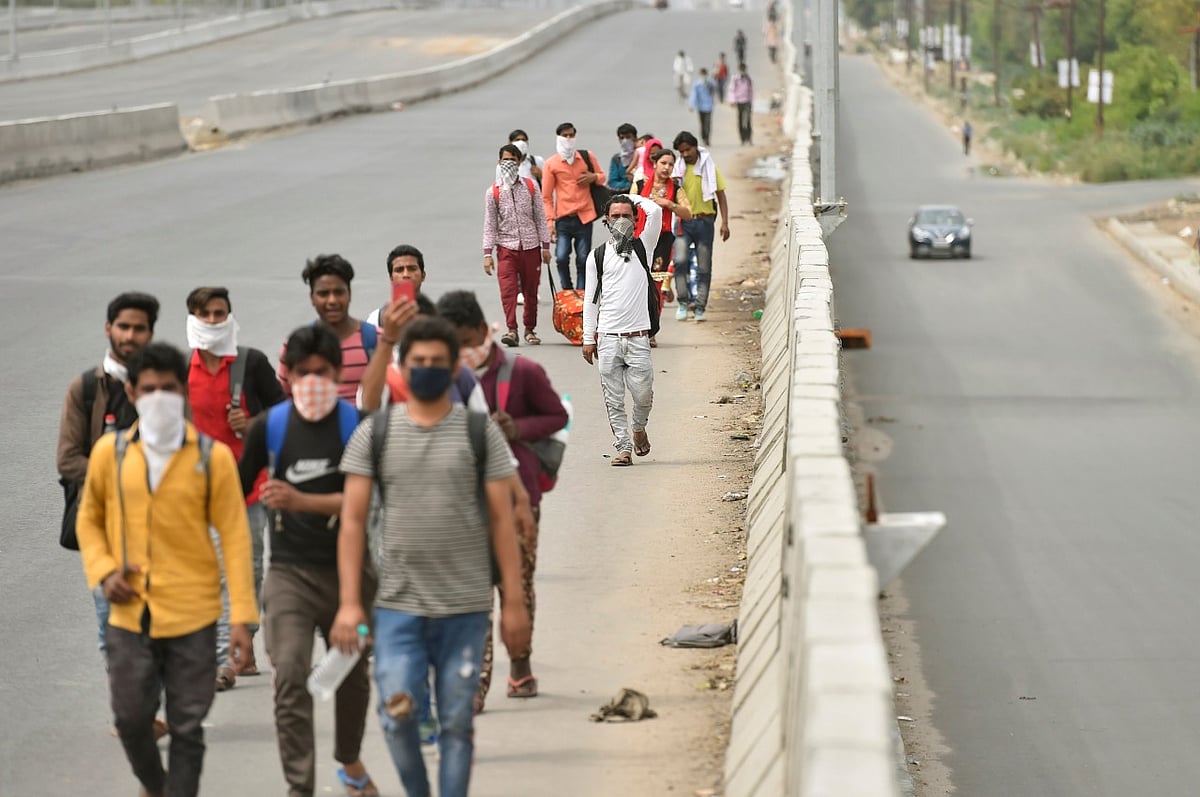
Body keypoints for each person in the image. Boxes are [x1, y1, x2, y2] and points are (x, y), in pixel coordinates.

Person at [332, 315, 531, 797]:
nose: (426, 368)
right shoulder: (374, 434)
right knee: (397, 715)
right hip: (397, 607)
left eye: (436, 362)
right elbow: (353, 521)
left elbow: (502, 521)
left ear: (453, 369)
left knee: (458, 724)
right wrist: (350, 602)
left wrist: (515, 604)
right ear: (403, 365)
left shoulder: (480, 434)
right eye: (417, 361)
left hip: (464, 608)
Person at [76, 342, 257, 797]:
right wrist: (103, 571)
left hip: (193, 615)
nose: (159, 397)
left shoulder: (210, 458)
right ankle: (155, 787)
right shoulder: (110, 454)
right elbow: (90, 520)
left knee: (187, 726)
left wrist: (242, 619)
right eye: (149, 388)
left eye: (169, 389)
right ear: (132, 392)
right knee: (132, 719)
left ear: (184, 394)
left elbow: (235, 538)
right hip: (129, 613)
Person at [239, 325, 380, 797]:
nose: (313, 381)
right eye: (303, 373)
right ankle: (300, 786)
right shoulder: (270, 426)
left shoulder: (356, 425)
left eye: (322, 372)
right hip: (288, 575)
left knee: (353, 676)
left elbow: (367, 504)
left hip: (352, 577)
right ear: (288, 377)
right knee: (291, 675)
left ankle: (349, 759)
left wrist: (300, 500)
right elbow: (233, 495)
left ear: (337, 373)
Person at [436, 291, 568, 712]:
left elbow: (558, 418)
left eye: (462, 340)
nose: (458, 352)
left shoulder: (522, 371)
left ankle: (520, 665)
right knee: (475, 593)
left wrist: (518, 427)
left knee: (517, 585)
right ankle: (476, 682)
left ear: (479, 330)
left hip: (518, 497)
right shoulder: (442, 378)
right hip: (463, 500)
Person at [184, 286, 286, 691]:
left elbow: (281, 413)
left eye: (219, 313)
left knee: (248, 568)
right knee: (209, 572)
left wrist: (252, 421)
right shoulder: (179, 370)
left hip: (247, 487)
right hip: (194, 490)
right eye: (205, 314)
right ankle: (222, 653)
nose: (213, 321)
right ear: (192, 318)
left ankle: (239, 649)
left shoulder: (251, 363)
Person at [58, 292, 159, 664]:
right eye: (123, 327)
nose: (130, 336)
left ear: (151, 333)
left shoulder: (164, 388)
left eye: (139, 328)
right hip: (105, 528)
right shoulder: (85, 389)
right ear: (108, 329)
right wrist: (122, 473)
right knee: (112, 627)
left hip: (162, 527)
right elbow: (68, 460)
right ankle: (130, 716)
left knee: (163, 628)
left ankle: (148, 710)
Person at [582, 194, 663, 466]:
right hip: (607, 339)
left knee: (643, 396)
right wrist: (587, 337)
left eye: (626, 215)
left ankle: (639, 428)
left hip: (639, 338)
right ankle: (623, 447)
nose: (620, 221)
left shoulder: (644, 248)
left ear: (635, 219)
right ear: (606, 220)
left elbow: (656, 211)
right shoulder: (597, 257)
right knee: (613, 399)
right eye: (615, 216)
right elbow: (590, 300)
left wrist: (633, 196)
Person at [279, 254, 378, 403]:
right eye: (323, 294)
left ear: (349, 294)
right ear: (312, 298)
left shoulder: (378, 340)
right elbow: (283, 398)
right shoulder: (295, 345)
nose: (332, 301)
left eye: (339, 292)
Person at [484, 144, 551, 348]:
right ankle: (511, 329)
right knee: (508, 290)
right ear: (498, 162)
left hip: (530, 247)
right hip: (506, 248)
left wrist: (545, 246)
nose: (509, 164)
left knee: (531, 290)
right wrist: (487, 253)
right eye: (505, 160)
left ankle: (530, 329)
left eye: (513, 160)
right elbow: (490, 224)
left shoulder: (531, 186)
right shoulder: (493, 192)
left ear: (520, 161)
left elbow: (540, 216)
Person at [635, 148, 693, 345]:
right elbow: (626, 206)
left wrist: (668, 204)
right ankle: (635, 327)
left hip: (662, 241)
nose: (667, 167)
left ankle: (651, 330)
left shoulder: (676, 189)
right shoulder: (640, 184)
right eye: (664, 163)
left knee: (656, 285)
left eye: (670, 164)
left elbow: (688, 213)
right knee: (636, 283)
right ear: (655, 163)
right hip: (639, 239)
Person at [672, 131, 731, 322]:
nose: (686, 154)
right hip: (683, 223)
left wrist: (725, 222)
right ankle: (683, 302)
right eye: (682, 152)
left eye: (688, 150)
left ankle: (700, 307)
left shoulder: (709, 168)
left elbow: (721, 195)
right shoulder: (677, 171)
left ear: (695, 147)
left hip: (705, 222)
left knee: (704, 267)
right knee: (680, 262)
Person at [542, 121, 606, 294]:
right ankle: (567, 290)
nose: (568, 139)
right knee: (561, 257)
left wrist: (593, 177)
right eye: (565, 136)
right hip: (563, 218)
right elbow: (546, 197)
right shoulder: (551, 164)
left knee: (583, 259)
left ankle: (581, 294)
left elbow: (602, 177)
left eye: (571, 135)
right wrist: (549, 221)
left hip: (584, 216)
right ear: (559, 138)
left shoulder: (586, 157)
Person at [364, 245, 426, 329]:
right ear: (391, 278)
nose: (406, 275)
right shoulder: (377, 319)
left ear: (423, 275)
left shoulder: (439, 317)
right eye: (399, 270)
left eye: (412, 269)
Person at [689, 68, 717, 146]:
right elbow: (693, 95)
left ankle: (707, 139)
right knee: (702, 124)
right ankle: (703, 137)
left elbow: (715, 90)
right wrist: (692, 105)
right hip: (701, 107)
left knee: (708, 123)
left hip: (709, 106)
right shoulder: (697, 85)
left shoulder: (710, 83)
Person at [607, 122, 637, 193]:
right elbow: (612, 182)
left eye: (628, 137)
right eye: (622, 138)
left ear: (635, 138)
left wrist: (635, 180)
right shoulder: (616, 159)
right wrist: (629, 184)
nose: (625, 140)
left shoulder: (641, 156)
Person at [729, 62, 755, 145]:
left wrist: (751, 101)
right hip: (739, 101)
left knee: (747, 120)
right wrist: (732, 100)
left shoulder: (748, 78)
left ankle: (749, 137)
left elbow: (751, 90)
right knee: (740, 120)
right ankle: (742, 138)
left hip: (747, 101)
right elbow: (732, 89)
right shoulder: (735, 78)